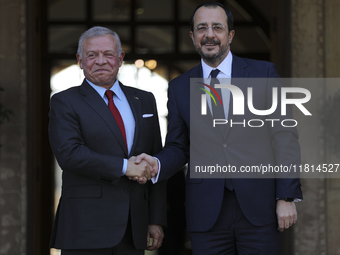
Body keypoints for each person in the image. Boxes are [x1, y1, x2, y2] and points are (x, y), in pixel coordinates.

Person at [135, 2, 303, 255]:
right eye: (202, 28)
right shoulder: (180, 87)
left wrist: (286, 196)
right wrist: (157, 164)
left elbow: (284, 137)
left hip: (261, 206)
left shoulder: (263, 74)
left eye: (217, 27)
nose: (209, 34)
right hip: (206, 211)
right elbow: (179, 146)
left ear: (230, 35)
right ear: (193, 36)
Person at [49, 26, 166, 255]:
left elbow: (156, 160)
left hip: (134, 227)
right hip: (86, 226)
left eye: (108, 54)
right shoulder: (64, 101)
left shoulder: (144, 100)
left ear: (120, 58)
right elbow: (69, 154)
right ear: (80, 60)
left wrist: (156, 219)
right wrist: (125, 167)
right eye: (92, 55)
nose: (100, 61)